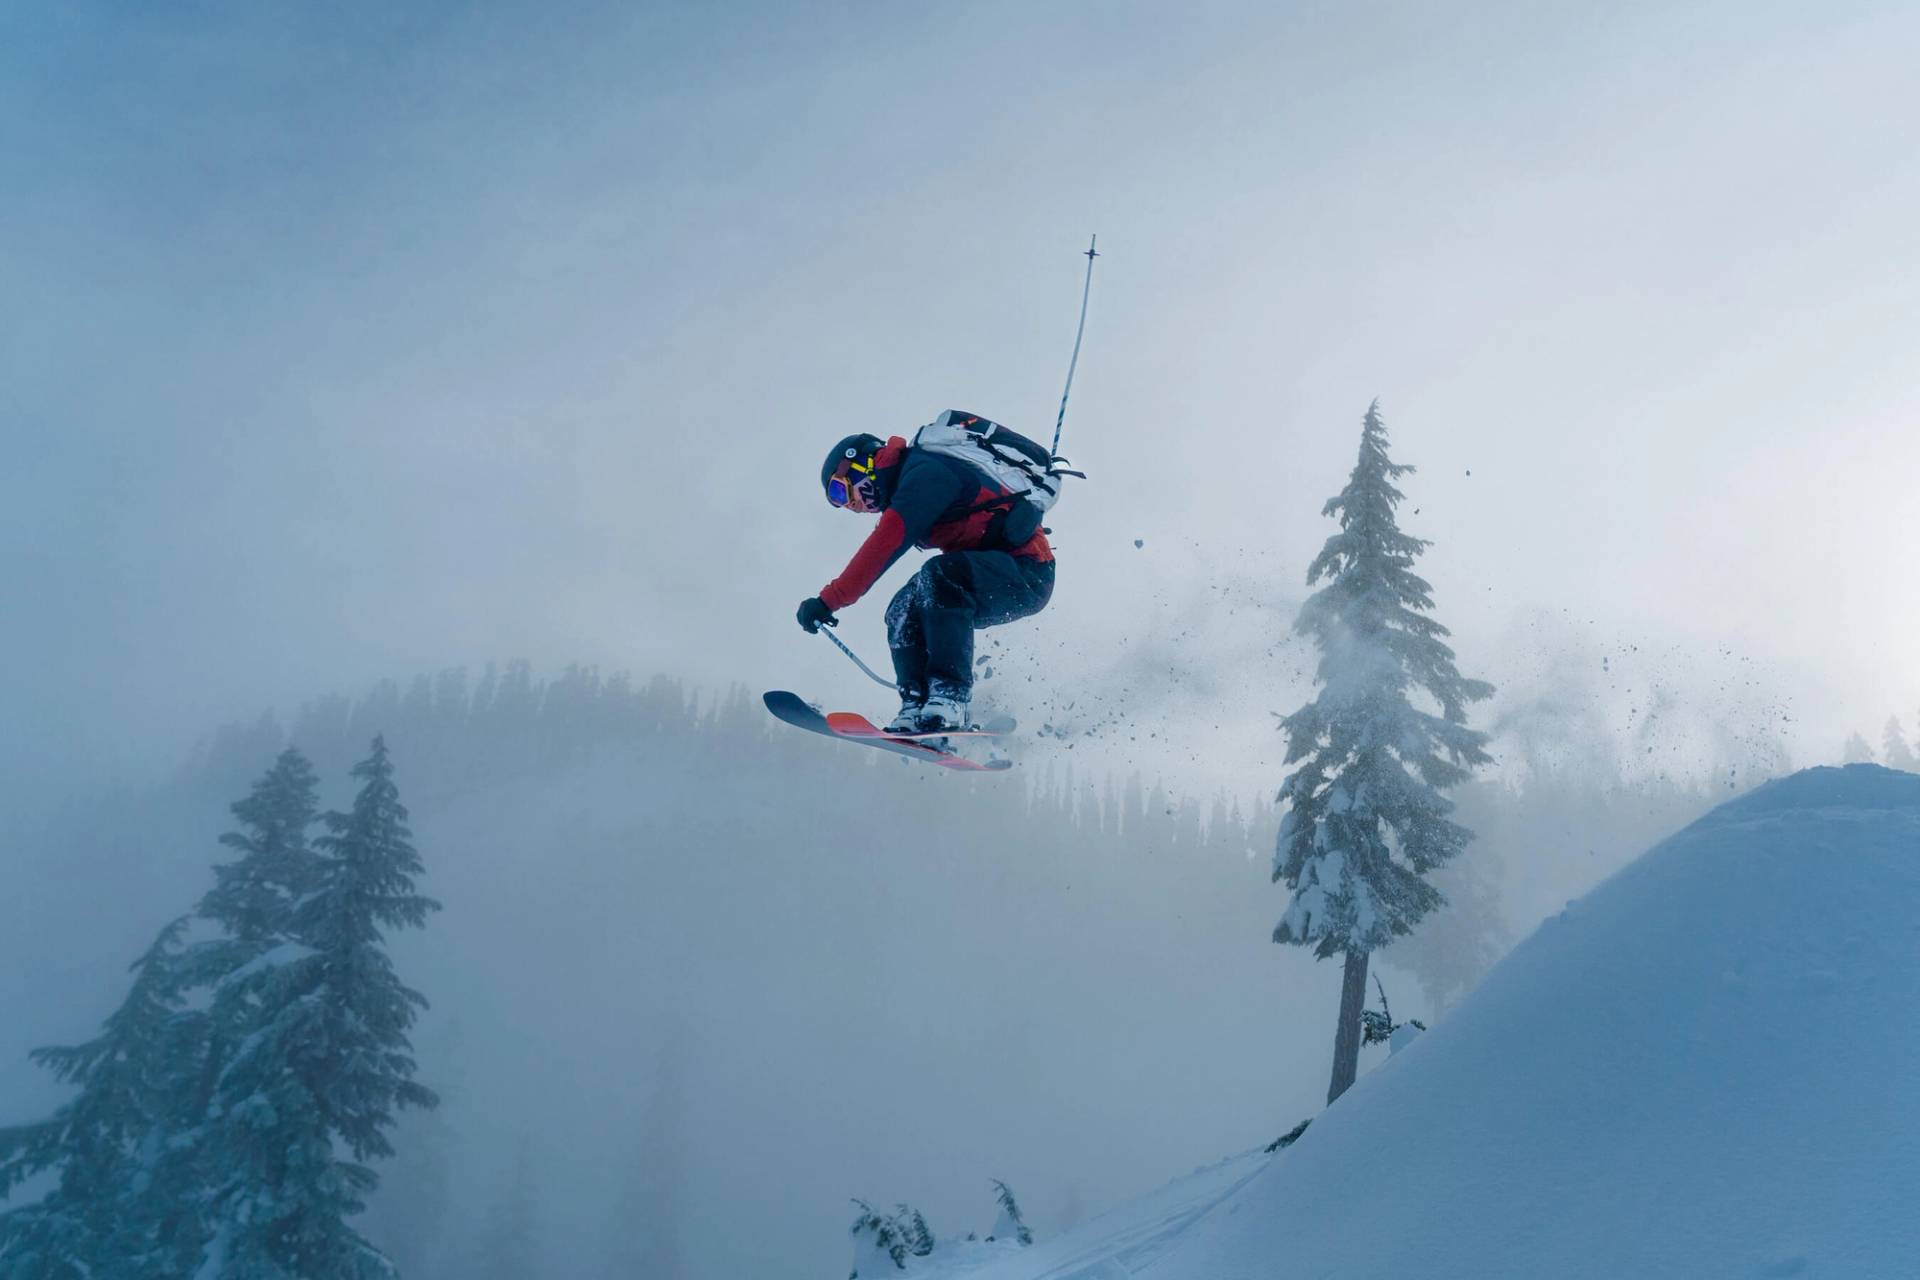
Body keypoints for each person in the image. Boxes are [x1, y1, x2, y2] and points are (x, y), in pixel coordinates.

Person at [797, 430, 1056, 733]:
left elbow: (884, 545)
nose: (854, 506)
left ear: (862, 464)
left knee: (939, 575)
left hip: (1027, 574)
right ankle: (917, 705)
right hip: (984, 572)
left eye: (842, 492)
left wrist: (828, 600)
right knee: (903, 607)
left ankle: (949, 698)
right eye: (843, 504)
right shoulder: (910, 483)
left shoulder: (925, 474)